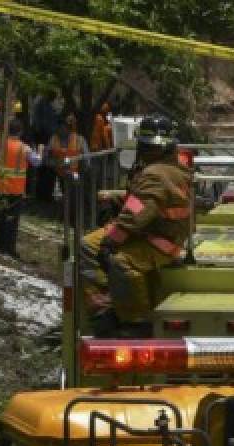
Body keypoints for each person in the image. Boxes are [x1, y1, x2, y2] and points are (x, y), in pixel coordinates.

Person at [79, 116, 192, 337]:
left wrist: (111, 241)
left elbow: (136, 215)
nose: (143, 149)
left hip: (159, 239)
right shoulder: (163, 168)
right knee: (88, 245)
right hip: (151, 231)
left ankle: (136, 321)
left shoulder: (156, 174)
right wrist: (118, 201)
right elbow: (140, 202)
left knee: (120, 263)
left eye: (147, 145)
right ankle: (107, 307)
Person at [0, 117, 43, 257]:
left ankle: (0, 246)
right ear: (20, 132)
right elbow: (37, 163)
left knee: (0, 216)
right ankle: (9, 248)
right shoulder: (24, 148)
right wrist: (41, 151)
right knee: (12, 219)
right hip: (15, 189)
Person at [48, 112, 89, 224]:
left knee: (75, 196)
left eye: (63, 127)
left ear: (68, 128)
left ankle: (75, 220)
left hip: (76, 174)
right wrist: (54, 165)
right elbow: (49, 157)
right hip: (61, 174)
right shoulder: (53, 139)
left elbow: (86, 159)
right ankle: (66, 219)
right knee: (65, 197)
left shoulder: (79, 140)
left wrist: (82, 171)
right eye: (59, 127)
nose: (60, 130)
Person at [31, 90, 60, 201]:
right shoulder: (43, 106)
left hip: (43, 140)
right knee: (46, 168)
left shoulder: (42, 104)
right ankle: (44, 194)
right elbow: (44, 126)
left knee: (44, 168)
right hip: (45, 140)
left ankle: (44, 194)